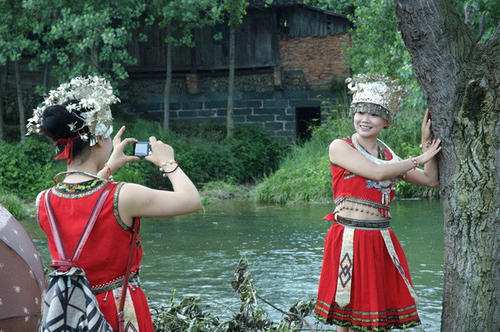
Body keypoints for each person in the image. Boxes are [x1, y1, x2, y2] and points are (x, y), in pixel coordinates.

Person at [27, 76, 202, 331]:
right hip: (118, 309)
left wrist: (108, 168)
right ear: (97, 140)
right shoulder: (123, 196)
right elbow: (191, 200)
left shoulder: (44, 201)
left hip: (71, 312)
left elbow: (84, 204)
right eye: (108, 135)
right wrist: (168, 162)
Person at [314, 75, 441, 331]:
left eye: (373, 114)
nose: (364, 119)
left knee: (376, 313)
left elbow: (430, 179)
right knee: (345, 312)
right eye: (360, 112)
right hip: (349, 236)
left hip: (380, 238)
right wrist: (420, 157)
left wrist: (426, 143)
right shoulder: (339, 147)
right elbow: (377, 173)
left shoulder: (388, 156)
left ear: (385, 121)